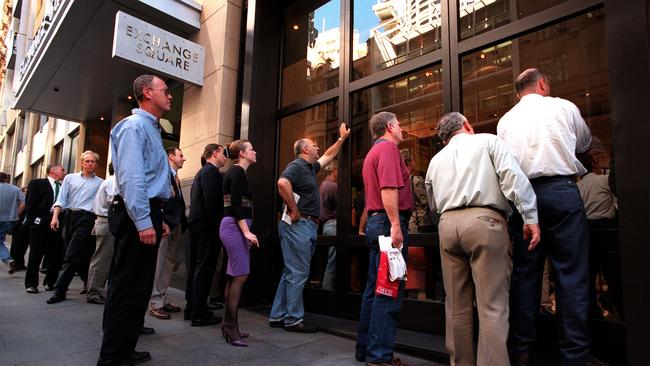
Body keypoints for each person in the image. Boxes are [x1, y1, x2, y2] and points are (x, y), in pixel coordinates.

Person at [497, 68, 606, 366]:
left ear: (519, 92)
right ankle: (575, 355)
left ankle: (521, 351)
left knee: (525, 277)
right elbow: (584, 144)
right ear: (543, 84)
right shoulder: (564, 107)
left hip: (523, 198)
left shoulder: (505, 121)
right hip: (561, 190)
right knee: (571, 276)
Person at [425, 112, 541, 366]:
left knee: (456, 307)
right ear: (467, 125)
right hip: (485, 221)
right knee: (492, 307)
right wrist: (530, 216)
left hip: (447, 224)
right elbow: (512, 177)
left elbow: (433, 204)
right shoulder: (488, 141)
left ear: (444, 139)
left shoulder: (435, 161)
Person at [98, 74, 173, 366]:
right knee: (127, 286)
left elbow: (153, 178)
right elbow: (131, 178)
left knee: (139, 287)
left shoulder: (151, 128)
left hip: (149, 211)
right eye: (165, 91)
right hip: (135, 214)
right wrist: (143, 221)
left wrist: (158, 219)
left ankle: (125, 348)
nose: (170, 96)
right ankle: (113, 356)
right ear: (146, 93)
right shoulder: (134, 127)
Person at [269, 122, 350, 332]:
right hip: (299, 224)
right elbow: (282, 183)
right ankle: (293, 319)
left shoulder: (309, 168)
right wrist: (294, 210)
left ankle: (278, 315)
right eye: (314, 145)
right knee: (298, 273)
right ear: (305, 149)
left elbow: (328, 156)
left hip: (303, 225)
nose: (317, 147)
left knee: (291, 272)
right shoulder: (296, 166)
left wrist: (341, 139)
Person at [354, 111, 412, 365]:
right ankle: (379, 357)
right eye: (399, 124)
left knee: (373, 290)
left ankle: (365, 350)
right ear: (390, 126)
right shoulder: (388, 149)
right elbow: (388, 189)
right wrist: (396, 225)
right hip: (388, 225)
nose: (401, 128)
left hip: (377, 224)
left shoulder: (372, 153)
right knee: (388, 291)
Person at [47, 151, 103, 304]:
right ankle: (88, 282)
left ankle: (60, 291)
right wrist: (55, 217)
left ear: (96, 164)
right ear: (82, 163)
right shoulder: (70, 178)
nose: (90, 164)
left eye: (93, 161)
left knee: (71, 255)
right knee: (78, 254)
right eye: (87, 161)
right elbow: (61, 198)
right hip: (69, 217)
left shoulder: (100, 182)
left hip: (87, 218)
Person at [219, 139, 259, 346]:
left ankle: (229, 324)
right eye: (251, 149)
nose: (255, 152)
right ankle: (230, 326)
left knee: (234, 274)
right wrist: (246, 232)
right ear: (242, 154)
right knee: (241, 274)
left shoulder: (238, 173)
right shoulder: (236, 173)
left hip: (235, 227)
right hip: (234, 228)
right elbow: (235, 204)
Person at [185, 143, 228, 326]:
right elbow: (211, 202)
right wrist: (218, 226)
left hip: (197, 226)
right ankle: (199, 313)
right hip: (207, 228)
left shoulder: (201, 172)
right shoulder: (211, 172)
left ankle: (193, 308)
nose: (226, 157)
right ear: (215, 153)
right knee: (204, 268)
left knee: (196, 268)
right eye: (223, 153)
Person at [576, 155, 618, 319]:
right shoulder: (604, 180)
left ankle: (593, 312)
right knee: (613, 272)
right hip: (606, 230)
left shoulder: (577, 186)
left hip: (586, 231)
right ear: (593, 164)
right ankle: (618, 307)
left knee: (589, 273)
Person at [149, 147, 187, 319]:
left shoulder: (175, 177)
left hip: (175, 225)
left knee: (168, 264)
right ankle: (155, 303)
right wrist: (163, 221)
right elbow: (158, 198)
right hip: (164, 225)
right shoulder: (163, 173)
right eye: (180, 155)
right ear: (171, 156)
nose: (184, 158)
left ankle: (161, 298)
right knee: (159, 263)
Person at [24, 164, 65, 293]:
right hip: (40, 223)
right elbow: (30, 203)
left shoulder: (64, 187)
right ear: (53, 170)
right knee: (36, 254)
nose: (64, 171)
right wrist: (36, 221)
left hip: (57, 223)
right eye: (62, 169)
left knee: (55, 254)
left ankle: (50, 282)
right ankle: (31, 284)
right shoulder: (37, 183)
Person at [85, 163, 117, 304]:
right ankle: (93, 293)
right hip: (107, 223)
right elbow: (114, 202)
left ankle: (96, 290)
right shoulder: (114, 181)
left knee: (104, 259)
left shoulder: (109, 181)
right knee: (102, 259)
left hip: (105, 223)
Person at [0, 172, 25, 274]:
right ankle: (7, 259)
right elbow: (24, 202)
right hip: (9, 220)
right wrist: (17, 214)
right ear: (6, 179)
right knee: (0, 240)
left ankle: (7, 258)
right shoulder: (15, 189)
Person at [319, 161, 337, 291]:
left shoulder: (322, 186)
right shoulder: (333, 186)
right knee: (333, 262)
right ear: (334, 171)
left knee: (329, 260)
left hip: (326, 225)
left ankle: (327, 291)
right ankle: (328, 292)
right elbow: (341, 206)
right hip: (333, 225)